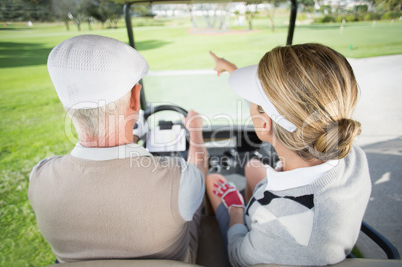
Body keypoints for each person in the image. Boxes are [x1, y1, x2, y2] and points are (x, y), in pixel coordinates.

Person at [28, 35, 208, 264]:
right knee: (193, 213)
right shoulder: (179, 178)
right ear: (135, 99)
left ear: (68, 106)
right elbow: (199, 168)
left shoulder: (39, 178)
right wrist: (196, 133)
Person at [207, 43, 372, 266]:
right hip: (309, 212)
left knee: (212, 179)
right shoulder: (352, 156)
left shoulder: (283, 223)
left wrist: (236, 212)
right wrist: (229, 67)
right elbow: (286, 111)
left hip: (270, 228)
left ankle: (241, 206)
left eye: (255, 102)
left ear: (264, 124)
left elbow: (238, 257)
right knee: (252, 166)